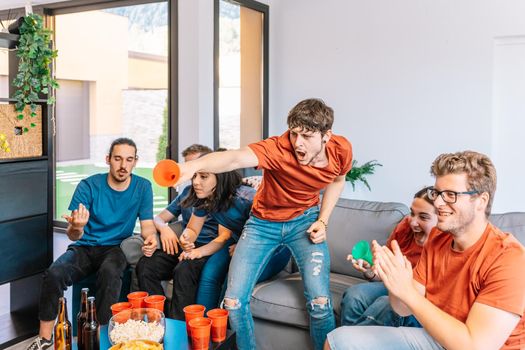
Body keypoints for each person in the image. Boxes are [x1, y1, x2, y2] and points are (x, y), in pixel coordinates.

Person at [174, 98, 353, 350]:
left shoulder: (341, 149)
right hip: (262, 225)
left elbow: (337, 180)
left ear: (326, 136)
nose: (298, 143)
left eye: (307, 136)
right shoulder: (277, 148)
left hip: (304, 222)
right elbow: (234, 159)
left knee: (320, 303)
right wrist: (192, 166)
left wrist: (322, 221)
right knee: (233, 302)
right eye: (294, 134)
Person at [325, 151, 525, 350]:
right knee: (337, 341)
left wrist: (407, 292)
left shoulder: (509, 258)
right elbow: (401, 309)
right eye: (437, 193)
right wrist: (395, 279)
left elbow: (474, 345)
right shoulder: (438, 237)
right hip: (441, 339)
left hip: (473, 345)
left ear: (481, 200)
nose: (438, 203)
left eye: (450, 195)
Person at [27, 138, 157, 350]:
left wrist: (151, 239)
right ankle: (44, 338)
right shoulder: (88, 186)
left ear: (135, 162)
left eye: (129, 160)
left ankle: (103, 337)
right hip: (85, 246)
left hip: (117, 247)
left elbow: (148, 226)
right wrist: (78, 226)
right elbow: (73, 235)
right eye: (117, 159)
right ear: (108, 160)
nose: (123, 165)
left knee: (110, 272)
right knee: (54, 274)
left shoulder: (143, 187)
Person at [136, 166, 256, 320]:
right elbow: (191, 229)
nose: (196, 182)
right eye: (194, 176)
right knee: (146, 265)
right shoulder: (200, 196)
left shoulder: (243, 198)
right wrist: (185, 238)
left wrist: (241, 245)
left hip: (218, 247)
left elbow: (225, 237)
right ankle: (158, 318)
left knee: (185, 269)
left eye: (203, 176)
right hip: (194, 248)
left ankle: (179, 325)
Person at [340, 187, 437, 327]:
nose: (412, 222)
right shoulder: (405, 227)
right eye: (412, 213)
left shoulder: (448, 243)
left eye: (423, 217)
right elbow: (386, 274)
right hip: (395, 286)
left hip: (425, 296)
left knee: (384, 304)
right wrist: (371, 270)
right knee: (354, 295)